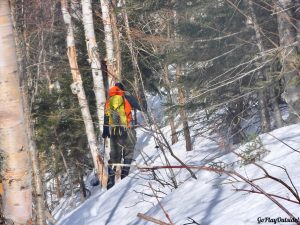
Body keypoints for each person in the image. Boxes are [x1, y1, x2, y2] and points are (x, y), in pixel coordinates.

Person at [102, 83, 140, 189]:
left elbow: (106, 115)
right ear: (122, 89)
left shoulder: (109, 100)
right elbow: (142, 107)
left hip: (114, 131)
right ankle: (124, 176)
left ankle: (111, 180)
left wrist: (105, 131)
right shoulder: (126, 96)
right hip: (127, 129)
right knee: (129, 152)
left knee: (114, 156)